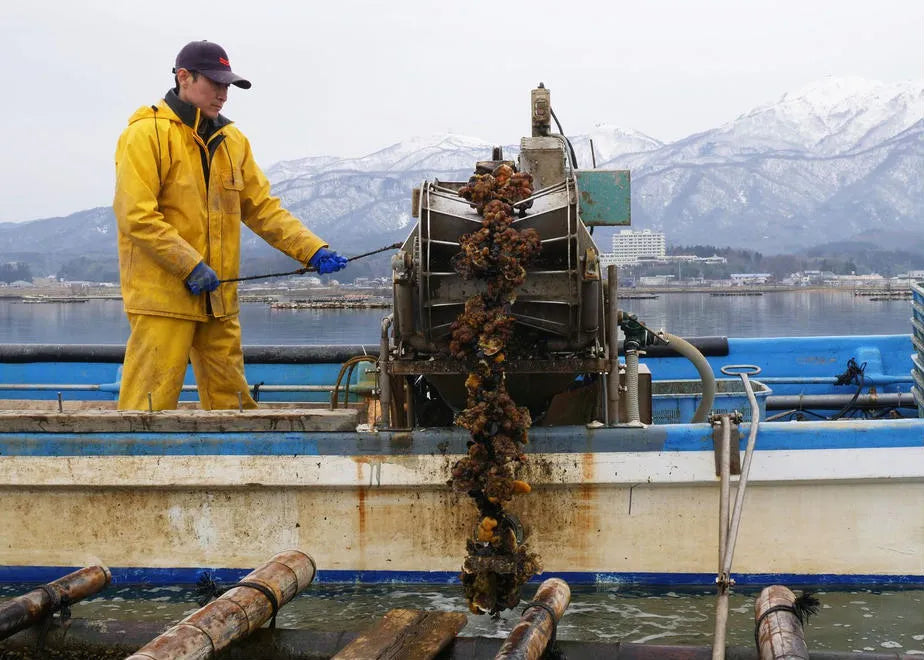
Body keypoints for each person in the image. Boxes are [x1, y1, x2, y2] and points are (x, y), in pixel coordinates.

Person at [113, 40, 347, 411]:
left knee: (233, 404)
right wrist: (188, 265)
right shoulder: (145, 134)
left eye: (227, 87)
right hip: (163, 300)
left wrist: (312, 249)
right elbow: (136, 216)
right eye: (215, 84)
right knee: (148, 405)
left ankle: (234, 465)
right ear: (184, 77)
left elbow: (262, 209)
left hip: (218, 299)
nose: (223, 95)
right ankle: (130, 465)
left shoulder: (233, 140)